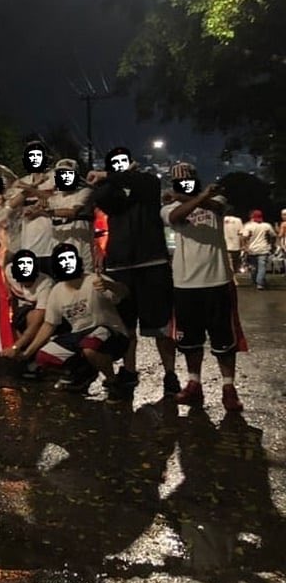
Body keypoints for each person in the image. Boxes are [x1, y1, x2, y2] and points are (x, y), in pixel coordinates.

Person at [87, 147, 179, 396]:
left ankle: (170, 374)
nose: (118, 165)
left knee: (160, 325)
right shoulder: (108, 190)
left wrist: (108, 175)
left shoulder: (147, 181)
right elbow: (102, 196)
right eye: (113, 162)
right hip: (120, 265)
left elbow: (145, 183)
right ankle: (129, 371)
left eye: (122, 161)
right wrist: (112, 178)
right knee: (126, 325)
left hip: (152, 263)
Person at [161, 163, 243, 411]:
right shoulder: (169, 207)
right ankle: (194, 383)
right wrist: (193, 198)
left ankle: (229, 387)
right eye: (181, 182)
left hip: (218, 279)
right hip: (185, 283)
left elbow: (216, 207)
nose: (186, 184)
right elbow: (175, 218)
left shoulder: (215, 198)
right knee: (190, 340)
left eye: (189, 180)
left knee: (224, 339)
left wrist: (194, 196)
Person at [17, 242, 130, 400]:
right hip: (80, 336)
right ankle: (82, 372)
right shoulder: (57, 291)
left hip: (110, 333)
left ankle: (113, 382)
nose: (67, 263)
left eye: (70, 258)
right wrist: (27, 353)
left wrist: (109, 285)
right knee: (44, 357)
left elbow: (124, 292)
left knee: (90, 346)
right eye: (62, 260)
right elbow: (49, 324)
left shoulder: (93, 280)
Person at [0, 249, 55, 379]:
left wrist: (15, 347)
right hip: (22, 309)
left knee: (33, 318)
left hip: (42, 314)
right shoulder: (10, 271)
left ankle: (32, 357)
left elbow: (38, 321)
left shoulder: (45, 285)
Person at [6, 141, 55, 274]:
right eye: (31, 156)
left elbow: (56, 200)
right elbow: (11, 204)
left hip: (52, 243)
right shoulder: (24, 181)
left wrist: (29, 189)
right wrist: (32, 186)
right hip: (29, 244)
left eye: (38, 155)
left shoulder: (54, 178)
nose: (34, 159)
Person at [45, 158, 95, 273]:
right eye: (61, 174)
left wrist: (47, 212)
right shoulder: (55, 198)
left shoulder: (84, 192)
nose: (65, 177)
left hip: (82, 251)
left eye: (69, 174)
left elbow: (72, 212)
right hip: (61, 252)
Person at [240, 209, 276, 290]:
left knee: (254, 267)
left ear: (252, 217)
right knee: (262, 267)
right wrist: (272, 245)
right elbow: (273, 236)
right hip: (264, 249)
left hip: (252, 249)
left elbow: (244, 237)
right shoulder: (267, 226)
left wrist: (245, 247)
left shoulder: (248, 226)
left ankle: (255, 281)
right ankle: (260, 283)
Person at [223, 212, 244, 279]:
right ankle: (233, 278)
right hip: (236, 245)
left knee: (229, 263)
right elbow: (241, 234)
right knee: (234, 263)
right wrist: (242, 245)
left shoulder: (221, 219)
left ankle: (231, 278)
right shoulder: (238, 220)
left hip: (225, 244)